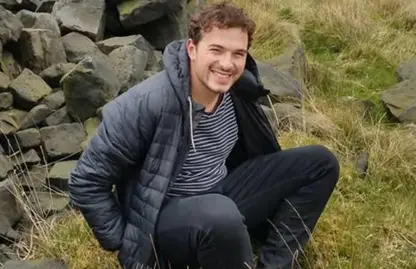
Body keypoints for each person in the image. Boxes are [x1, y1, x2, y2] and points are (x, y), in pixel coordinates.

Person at [68, 2, 340, 269]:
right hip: (165, 219)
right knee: (221, 216)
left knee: (321, 162)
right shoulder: (145, 104)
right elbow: (86, 181)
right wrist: (124, 242)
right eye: (216, 50)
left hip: (221, 194)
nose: (227, 63)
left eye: (238, 54)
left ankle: (274, 263)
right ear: (192, 49)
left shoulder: (239, 91)